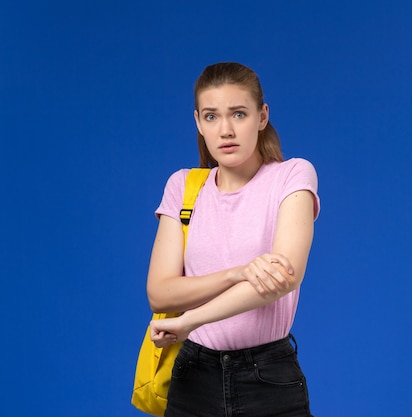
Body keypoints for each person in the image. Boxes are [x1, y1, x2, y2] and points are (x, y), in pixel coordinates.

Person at [146, 62, 320, 417]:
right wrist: (237, 273)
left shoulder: (292, 176)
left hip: (268, 379)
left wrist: (189, 320)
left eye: (238, 114)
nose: (225, 130)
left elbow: (283, 278)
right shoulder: (182, 187)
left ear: (262, 116)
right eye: (211, 117)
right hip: (193, 375)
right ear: (198, 122)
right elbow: (160, 292)